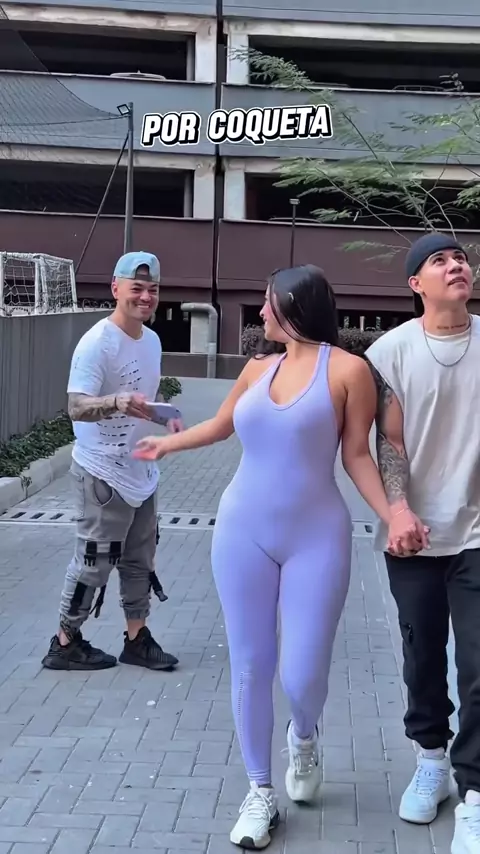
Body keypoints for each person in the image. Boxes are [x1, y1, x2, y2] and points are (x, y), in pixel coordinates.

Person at [134, 264, 423, 850]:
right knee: (250, 664)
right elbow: (221, 426)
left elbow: (358, 455)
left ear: (295, 305)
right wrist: (167, 443)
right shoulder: (256, 368)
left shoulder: (347, 371)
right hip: (241, 530)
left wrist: (394, 513)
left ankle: (304, 736)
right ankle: (260, 791)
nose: (262, 313)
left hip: (317, 536)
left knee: (303, 673)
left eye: (268, 303)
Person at [365, 232, 480, 854]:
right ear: (416, 284)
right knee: (422, 656)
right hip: (412, 534)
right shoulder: (390, 352)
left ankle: (475, 790)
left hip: (477, 533)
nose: (456, 264)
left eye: (460, 256)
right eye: (439, 260)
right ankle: (431, 758)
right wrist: (398, 509)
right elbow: (388, 441)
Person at [42, 251, 182, 673]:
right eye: (136, 288)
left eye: (152, 289)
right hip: (101, 472)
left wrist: (163, 416)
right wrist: (116, 401)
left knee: (141, 559)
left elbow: (144, 398)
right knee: (95, 561)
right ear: (115, 288)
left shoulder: (152, 340)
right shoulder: (96, 343)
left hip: (141, 470)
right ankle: (64, 642)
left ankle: (137, 638)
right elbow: (75, 406)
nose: (145, 297)